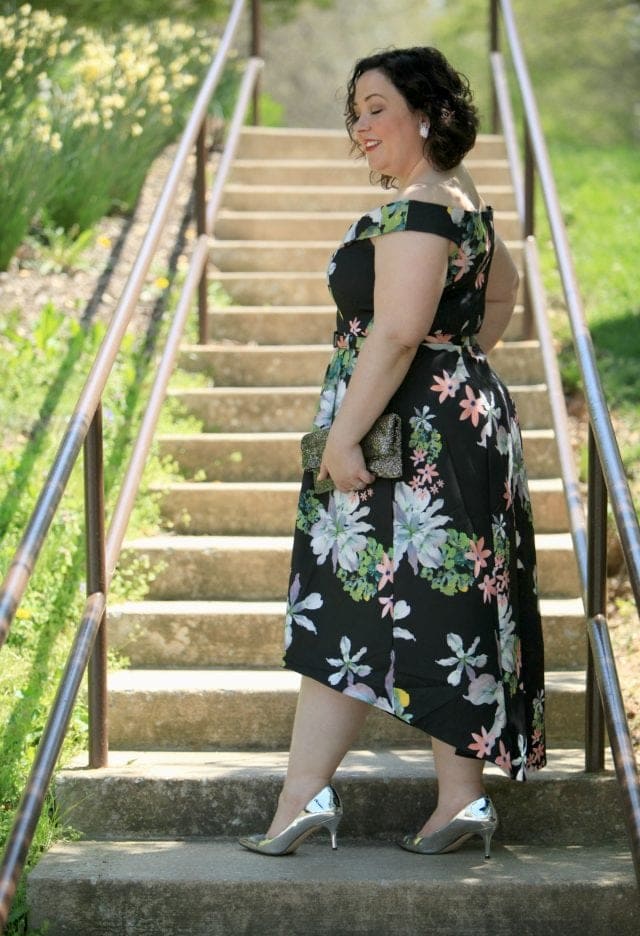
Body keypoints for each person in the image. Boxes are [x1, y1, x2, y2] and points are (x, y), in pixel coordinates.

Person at [239, 46, 546, 858]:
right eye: (356, 111)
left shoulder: (419, 207)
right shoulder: (460, 201)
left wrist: (346, 434)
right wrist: (463, 363)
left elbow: (400, 330)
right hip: (446, 427)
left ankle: (309, 801)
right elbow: (503, 291)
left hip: (405, 441)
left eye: (378, 108)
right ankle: (457, 801)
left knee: (353, 603)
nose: (360, 125)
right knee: (442, 609)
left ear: (430, 114)